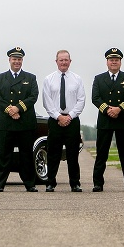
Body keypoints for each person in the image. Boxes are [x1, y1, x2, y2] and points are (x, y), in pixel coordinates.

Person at [0, 46, 39, 192]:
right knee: (4, 155)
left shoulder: (30, 78)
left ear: (22, 60)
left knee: (26, 155)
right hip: (6, 123)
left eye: (19, 59)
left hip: (25, 123)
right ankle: (0, 184)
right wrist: (10, 111)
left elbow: (33, 97)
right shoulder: (0, 78)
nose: (17, 62)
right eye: (14, 59)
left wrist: (18, 108)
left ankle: (30, 184)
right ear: (9, 60)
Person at [91, 48, 124, 192]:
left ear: (120, 62)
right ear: (107, 62)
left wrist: (119, 109)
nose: (114, 62)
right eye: (111, 60)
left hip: (123, 120)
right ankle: (98, 183)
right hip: (105, 120)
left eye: (116, 60)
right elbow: (95, 98)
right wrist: (107, 110)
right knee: (101, 154)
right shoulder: (99, 78)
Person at [41, 50, 85, 192]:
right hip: (55, 120)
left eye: (66, 60)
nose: (64, 62)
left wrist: (69, 116)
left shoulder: (77, 79)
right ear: (56, 62)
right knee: (53, 154)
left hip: (72, 120)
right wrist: (58, 117)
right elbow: (47, 101)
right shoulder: (49, 79)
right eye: (61, 60)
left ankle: (75, 183)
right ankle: (50, 182)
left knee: (73, 154)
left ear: (70, 61)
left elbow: (81, 100)